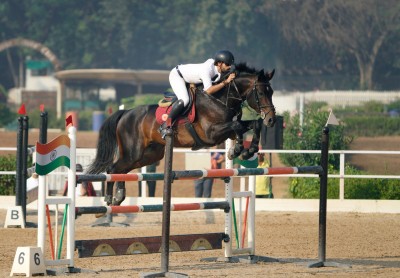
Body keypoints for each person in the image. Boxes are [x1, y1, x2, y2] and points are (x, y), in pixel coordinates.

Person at [163, 50, 236, 133]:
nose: (229, 67)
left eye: (230, 65)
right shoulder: (207, 70)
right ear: (219, 63)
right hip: (177, 76)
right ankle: (167, 125)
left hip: (188, 78)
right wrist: (226, 82)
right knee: (185, 100)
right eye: (227, 64)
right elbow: (208, 91)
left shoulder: (217, 69)